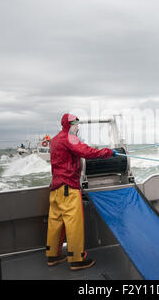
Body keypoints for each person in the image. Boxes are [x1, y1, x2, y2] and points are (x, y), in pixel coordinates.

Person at [45, 113, 117, 271]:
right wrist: (109, 152)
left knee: (55, 222)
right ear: (70, 125)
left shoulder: (55, 139)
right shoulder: (69, 138)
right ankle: (76, 259)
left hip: (55, 189)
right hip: (68, 187)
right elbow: (88, 152)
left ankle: (53, 255)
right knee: (73, 224)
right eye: (76, 125)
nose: (78, 128)